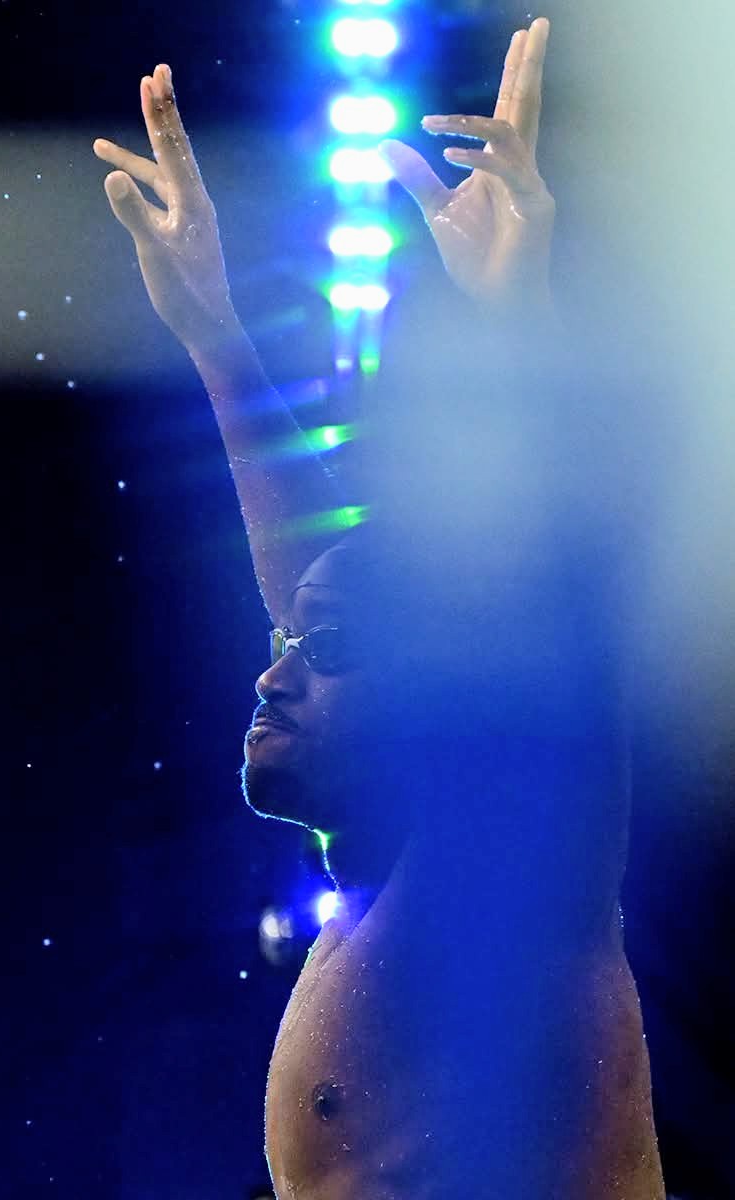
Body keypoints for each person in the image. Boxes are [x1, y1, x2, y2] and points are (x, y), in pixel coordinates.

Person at [94, 18, 666, 1200]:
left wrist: (518, 322)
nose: (268, 672)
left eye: (326, 655)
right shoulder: (383, 897)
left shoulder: (512, 873)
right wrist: (210, 324)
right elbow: (320, 590)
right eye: (287, 647)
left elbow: (557, 601)